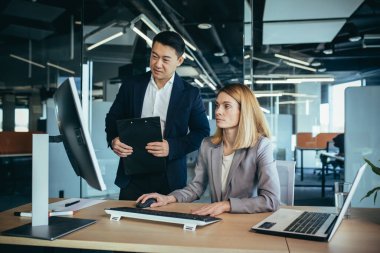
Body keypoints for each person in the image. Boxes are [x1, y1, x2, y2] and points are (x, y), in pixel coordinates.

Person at [137, 84, 280, 216]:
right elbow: (196, 187)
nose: (218, 111)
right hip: (217, 219)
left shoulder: (261, 146)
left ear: (244, 111)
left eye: (226, 106)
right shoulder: (208, 145)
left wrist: (226, 205)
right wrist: (169, 198)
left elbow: (271, 200)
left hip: (246, 220)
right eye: (217, 105)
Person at [105, 31, 210, 200]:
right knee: (127, 224)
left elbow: (202, 132)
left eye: (165, 59)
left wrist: (171, 147)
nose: (157, 64)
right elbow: (112, 118)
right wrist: (113, 139)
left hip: (169, 178)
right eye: (154, 56)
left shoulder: (190, 94)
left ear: (179, 61)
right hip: (132, 175)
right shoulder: (132, 85)